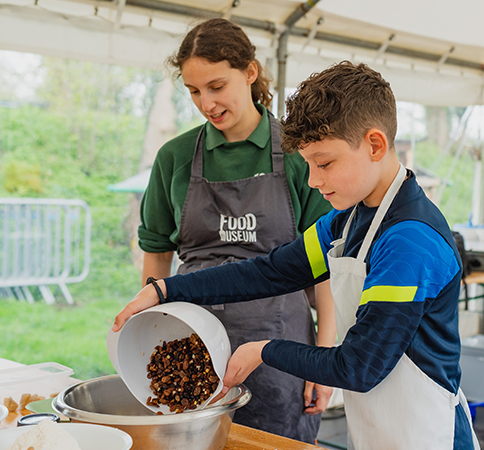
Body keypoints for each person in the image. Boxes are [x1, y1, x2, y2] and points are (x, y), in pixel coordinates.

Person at [115, 61, 481, 449]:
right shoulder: (347, 220)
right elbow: (268, 272)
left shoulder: (410, 241)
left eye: (324, 163)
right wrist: (164, 290)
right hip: (378, 432)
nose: (313, 180)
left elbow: (358, 367)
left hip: (430, 435)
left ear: (375, 144)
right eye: (307, 164)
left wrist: (264, 350)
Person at [138, 18, 335, 443]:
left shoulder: (300, 154)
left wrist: (323, 356)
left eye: (216, 85)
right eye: (193, 91)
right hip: (189, 345)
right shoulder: (173, 157)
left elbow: (324, 269)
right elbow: (156, 253)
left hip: (279, 347)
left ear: (249, 72)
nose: (206, 102)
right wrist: (148, 333)